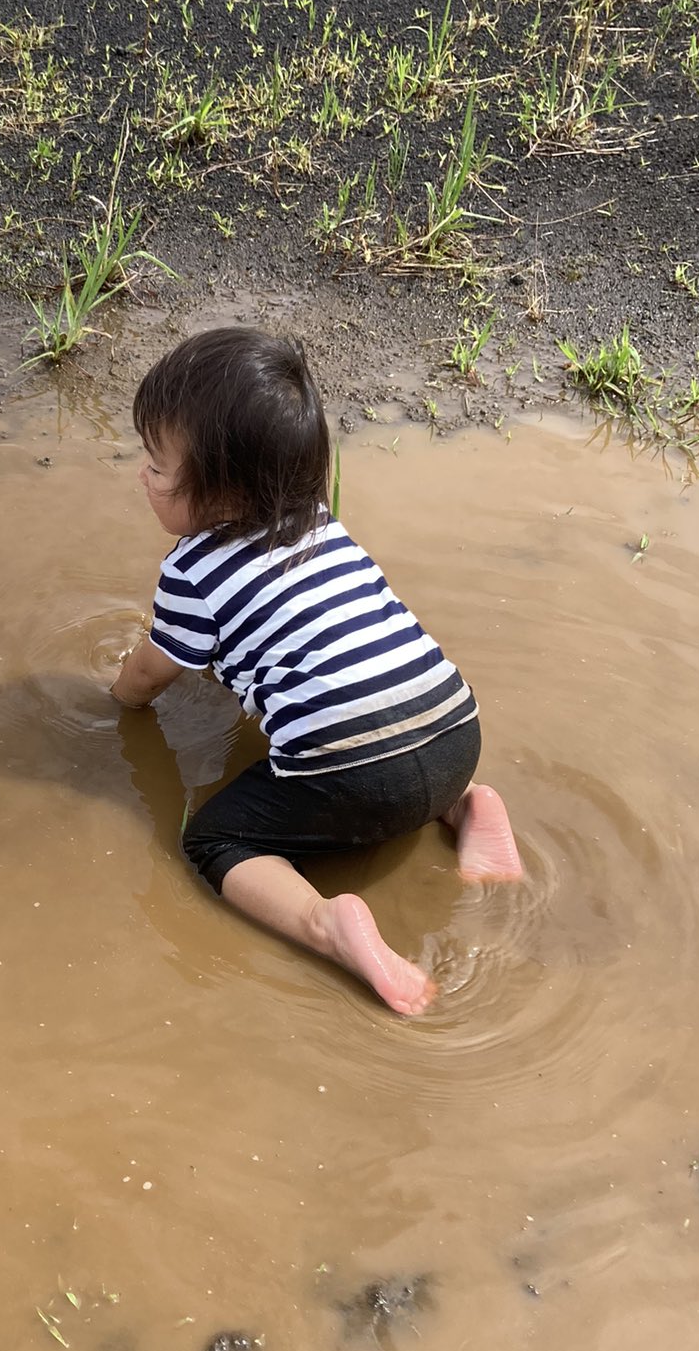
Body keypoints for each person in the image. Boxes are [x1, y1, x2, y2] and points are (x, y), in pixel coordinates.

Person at [110, 326, 523, 1016]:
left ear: (216, 490)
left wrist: (115, 700)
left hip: (357, 777)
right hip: (457, 731)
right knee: (397, 743)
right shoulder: (321, 525)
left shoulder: (190, 572)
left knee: (212, 838)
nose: (141, 477)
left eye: (155, 467)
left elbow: (149, 675)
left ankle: (324, 923)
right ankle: (471, 804)